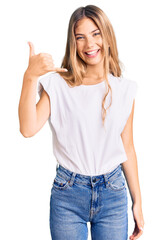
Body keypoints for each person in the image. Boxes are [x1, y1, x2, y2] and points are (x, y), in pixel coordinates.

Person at [18, 5, 144, 240]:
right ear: (72, 43)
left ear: (107, 36)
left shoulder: (124, 90)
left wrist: (137, 201)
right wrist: (30, 76)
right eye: (80, 37)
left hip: (113, 193)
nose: (89, 44)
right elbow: (27, 128)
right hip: (68, 194)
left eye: (96, 34)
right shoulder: (58, 85)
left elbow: (127, 147)